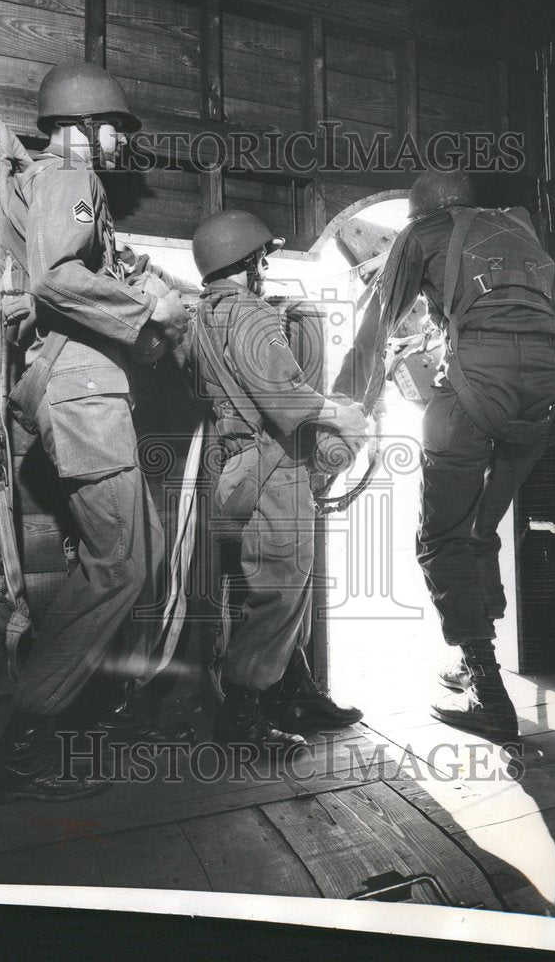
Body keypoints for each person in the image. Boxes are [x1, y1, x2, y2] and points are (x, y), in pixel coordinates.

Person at [0, 61, 192, 803]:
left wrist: (142, 286)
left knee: (135, 556)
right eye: (114, 126)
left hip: (80, 391)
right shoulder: (72, 172)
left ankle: (78, 716)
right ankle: (25, 745)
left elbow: (66, 275)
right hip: (81, 392)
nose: (118, 141)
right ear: (83, 124)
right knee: (121, 569)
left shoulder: (57, 180)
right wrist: (151, 313)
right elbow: (56, 281)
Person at [332, 168, 555, 739]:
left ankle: (489, 692)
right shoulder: (521, 237)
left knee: (441, 538)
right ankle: (472, 659)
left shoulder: (424, 233)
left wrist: (343, 407)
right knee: (482, 532)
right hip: (545, 391)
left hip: (472, 388)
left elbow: (377, 322)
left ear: (423, 211)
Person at [190, 210, 368, 753]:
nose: (264, 267)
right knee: (282, 591)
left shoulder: (203, 315)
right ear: (245, 262)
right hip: (273, 467)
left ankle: (294, 691)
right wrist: (342, 415)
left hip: (237, 468)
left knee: (273, 586)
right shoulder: (251, 314)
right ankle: (241, 721)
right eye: (260, 257)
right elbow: (285, 396)